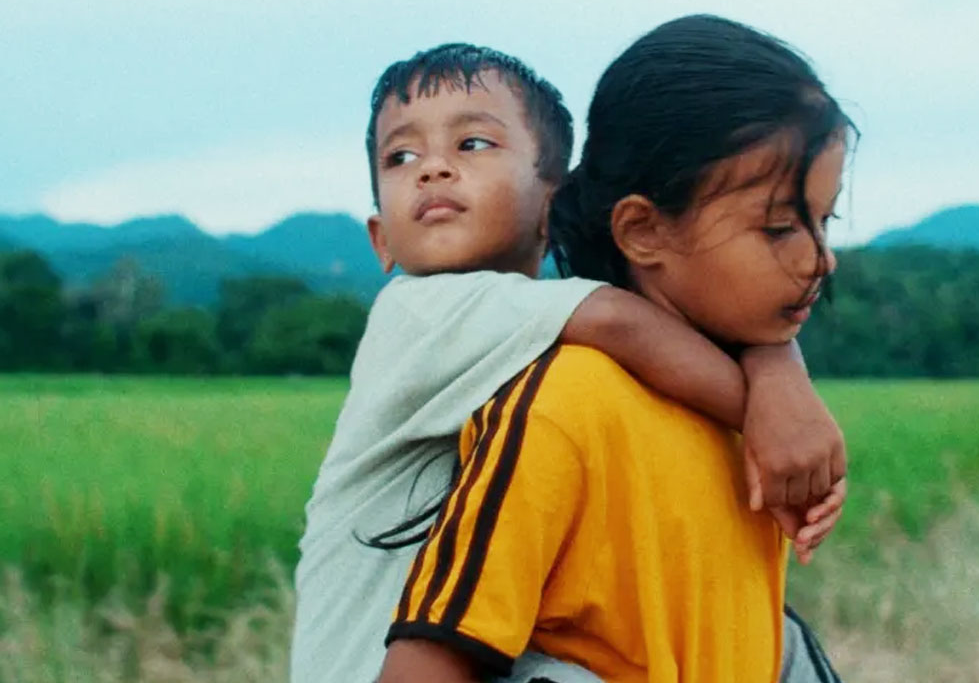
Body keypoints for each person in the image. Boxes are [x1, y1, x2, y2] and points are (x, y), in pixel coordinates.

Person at [291, 43, 847, 683]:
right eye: (401, 156)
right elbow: (624, 320)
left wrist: (777, 364)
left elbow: (699, 315)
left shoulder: (546, 332)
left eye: (472, 145)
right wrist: (776, 414)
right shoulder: (417, 313)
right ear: (381, 241)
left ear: (552, 204)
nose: (432, 170)